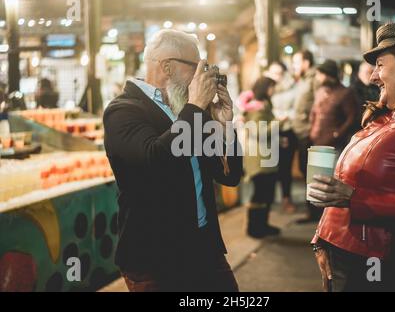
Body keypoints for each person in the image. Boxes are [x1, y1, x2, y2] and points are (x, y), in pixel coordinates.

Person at [309, 23, 395, 292]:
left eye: (380, 65)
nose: (373, 76)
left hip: (373, 262)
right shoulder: (387, 117)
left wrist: (353, 197)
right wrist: (321, 240)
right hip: (342, 254)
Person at [103, 29, 243, 292]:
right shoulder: (123, 110)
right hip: (154, 257)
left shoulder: (186, 110)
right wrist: (196, 106)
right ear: (167, 66)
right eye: (197, 67)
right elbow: (155, 160)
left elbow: (229, 175)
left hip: (203, 248)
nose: (201, 76)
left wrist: (225, 126)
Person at [240, 76, 280, 238]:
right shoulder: (257, 108)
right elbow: (259, 132)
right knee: (260, 193)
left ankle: (263, 225)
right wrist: (278, 122)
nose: (273, 90)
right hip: (259, 157)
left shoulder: (263, 105)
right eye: (271, 87)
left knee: (267, 193)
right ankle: (254, 228)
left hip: (266, 155)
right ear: (265, 88)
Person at [267, 61, 297, 213]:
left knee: (285, 167)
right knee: (269, 166)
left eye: (279, 73)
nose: (276, 76)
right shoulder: (266, 87)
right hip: (270, 131)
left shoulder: (292, 87)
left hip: (286, 130)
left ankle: (286, 198)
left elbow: (295, 108)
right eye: (273, 72)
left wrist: (285, 118)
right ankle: (269, 199)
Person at [309, 59, 358, 151]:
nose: (317, 77)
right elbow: (314, 112)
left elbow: (351, 117)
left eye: (320, 74)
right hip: (316, 140)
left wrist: (338, 134)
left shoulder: (345, 93)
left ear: (328, 75)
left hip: (334, 145)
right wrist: (312, 130)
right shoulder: (320, 91)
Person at [292, 50, 315, 177]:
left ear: (306, 63)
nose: (293, 66)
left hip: (308, 131)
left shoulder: (314, 78)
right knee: (303, 168)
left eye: (296, 62)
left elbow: (319, 104)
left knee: (308, 170)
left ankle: (311, 197)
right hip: (300, 130)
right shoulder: (302, 79)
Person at [350, 61, 380, 130]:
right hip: (357, 127)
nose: (370, 75)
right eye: (367, 72)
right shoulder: (352, 90)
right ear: (359, 73)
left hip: (374, 126)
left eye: (371, 72)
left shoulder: (377, 87)